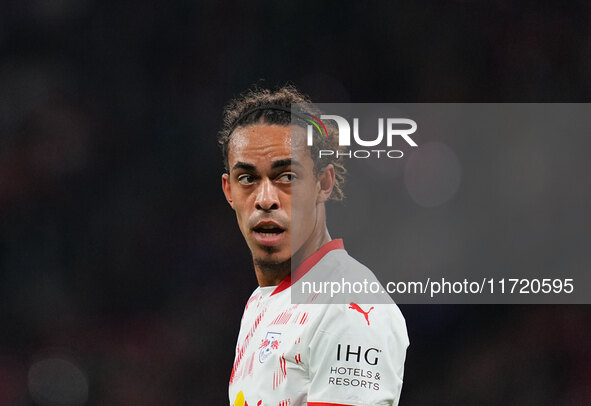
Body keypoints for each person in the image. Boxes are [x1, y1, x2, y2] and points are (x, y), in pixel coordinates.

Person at [219, 85, 409, 406]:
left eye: (287, 176)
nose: (266, 200)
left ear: (323, 183)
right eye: (248, 179)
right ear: (229, 191)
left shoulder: (349, 307)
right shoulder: (262, 301)